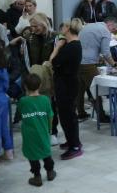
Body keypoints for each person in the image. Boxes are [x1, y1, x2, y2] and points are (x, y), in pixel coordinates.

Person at [48, 18, 82, 160]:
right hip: (67, 83)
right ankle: (72, 141)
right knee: (68, 115)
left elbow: (53, 61)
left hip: (67, 84)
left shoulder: (71, 47)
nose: (61, 29)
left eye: (63, 27)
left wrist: (57, 47)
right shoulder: (72, 45)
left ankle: (75, 146)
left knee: (67, 116)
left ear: (68, 28)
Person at [77, 19, 117, 121]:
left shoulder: (89, 26)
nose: (112, 32)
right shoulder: (105, 32)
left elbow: (89, 45)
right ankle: (101, 116)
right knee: (96, 89)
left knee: (80, 89)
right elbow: (106, 53)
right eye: (113, 29)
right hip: (88, 64)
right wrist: (115, 65)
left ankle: (81, 112)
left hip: (77, 61)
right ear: (110, 24)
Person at [18, 73, 56, 187]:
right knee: (46, 152)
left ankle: (37, 176)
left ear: (25, 86)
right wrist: (49, 129)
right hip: (43, 131)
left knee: (32, 155)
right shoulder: (45, 99)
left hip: (29, 134)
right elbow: (50, 116)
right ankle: (50, 172)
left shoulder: (23, 101)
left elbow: (20, 114)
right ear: (40, 85)